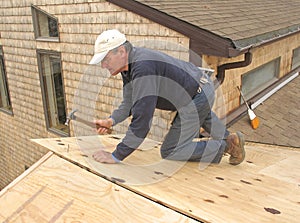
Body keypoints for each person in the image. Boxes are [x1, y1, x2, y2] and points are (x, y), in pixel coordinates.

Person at [89, 29, 245, 165]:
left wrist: (116, 156)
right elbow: (129, 102)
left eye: (106, 59)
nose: (103, 65)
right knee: (200, 113)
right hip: (196, 90)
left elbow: (142, 121)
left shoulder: (143, 68)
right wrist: (111, 120)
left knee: (171, 150)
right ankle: (232, 140)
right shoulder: (128, 67)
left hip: (196, 95)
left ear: (122, 52)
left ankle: (226, 146)